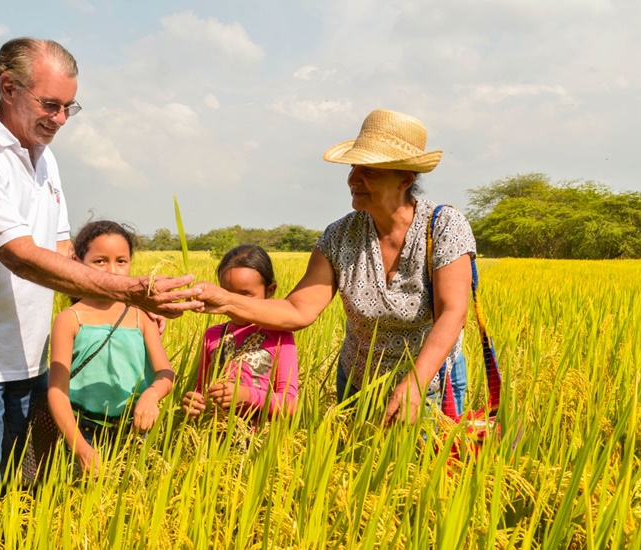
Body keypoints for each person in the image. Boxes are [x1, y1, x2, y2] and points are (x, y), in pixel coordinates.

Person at [0, 37, 201, 478]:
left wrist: (129, 304)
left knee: (24, 480)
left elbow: (62, 251)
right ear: (8, 87)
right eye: (50, 104)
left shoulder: (45, 158)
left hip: (25, 353)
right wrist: (135, 290)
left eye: (69, 107)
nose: (60, 119)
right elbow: (22, 257)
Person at [197, 109, 475, 424]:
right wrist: (226, 300)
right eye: (353, 167)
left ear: (405, 179)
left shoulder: (444, 226)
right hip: (357, 379)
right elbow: (297, 310)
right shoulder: (339, 235)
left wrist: (415, 381)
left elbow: (454, 312)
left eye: (369, 171)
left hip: (429, 382)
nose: (353, 179)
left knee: (424, 468)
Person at [47, 221, 174, 475]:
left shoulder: (142, 316)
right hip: (82, 431)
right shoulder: (70, 319)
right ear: (78, 262)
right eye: (100, 261)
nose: (112, 271)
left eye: (121, 261)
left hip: (135, 430)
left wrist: (150, 396)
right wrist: (80, 448)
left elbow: (166, 373)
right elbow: (57, 391)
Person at [182, 245, 298, 422]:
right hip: (215, 439)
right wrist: (194, 402)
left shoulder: (281, 336)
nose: (234, 302)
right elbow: (202, 388)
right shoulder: (212, 335)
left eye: (245, 295)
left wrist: (247, 395)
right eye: (226, 294)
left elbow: (290, 404)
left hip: (262, 442)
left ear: (270, 291)